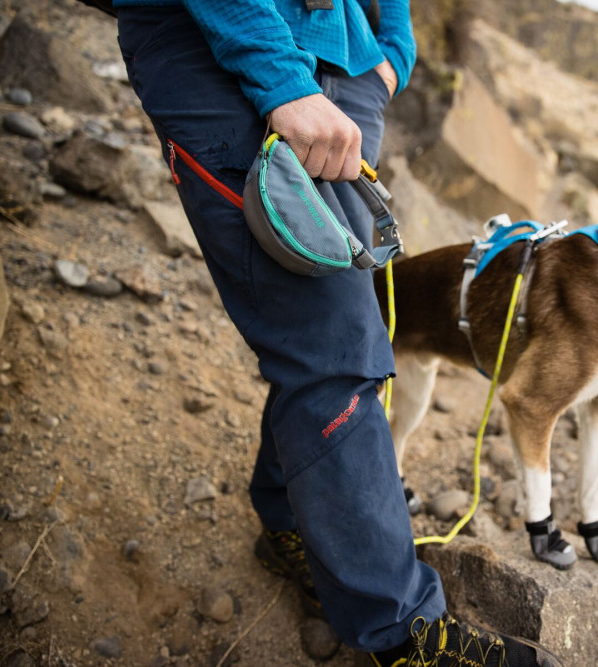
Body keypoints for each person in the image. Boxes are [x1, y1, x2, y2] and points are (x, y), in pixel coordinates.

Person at [112, 1, 562, 664]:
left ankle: (288, 521)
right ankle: (402, 632)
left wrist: (390, 55)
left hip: (347, 77)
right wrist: (281, 78)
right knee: (336, 343)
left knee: (339, 331)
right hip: (226, 47)